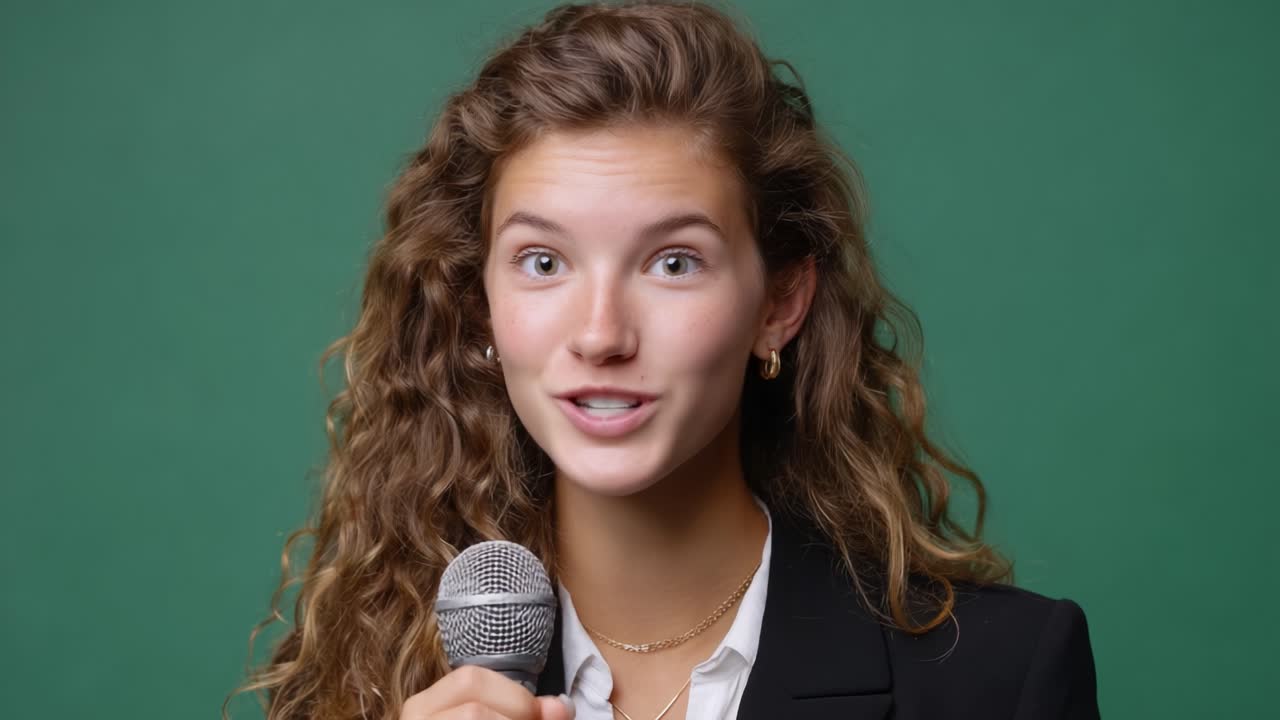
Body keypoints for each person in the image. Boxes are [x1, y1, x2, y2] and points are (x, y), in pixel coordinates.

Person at [226, 2, 1100, 719]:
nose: (601, 333)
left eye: (673, 262)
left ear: (779, 305)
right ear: (480, 303)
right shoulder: (357, 689)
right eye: (543, 262)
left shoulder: (999, 681)